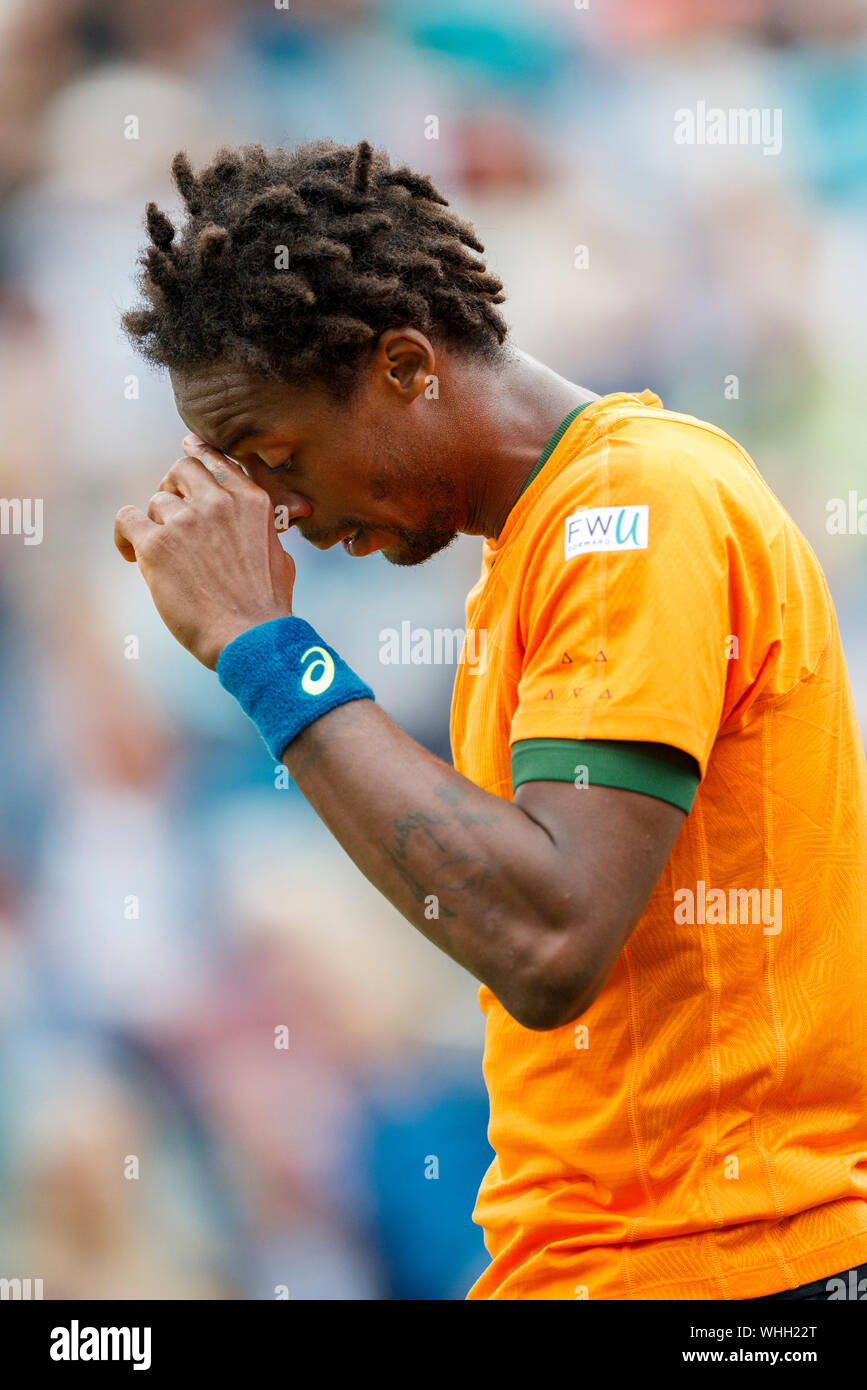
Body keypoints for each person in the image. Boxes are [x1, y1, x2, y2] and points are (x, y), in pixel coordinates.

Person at [115, 138, 867, 1301]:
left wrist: (265, 653)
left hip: (724, 1266)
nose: (287, 519)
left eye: (279, 459)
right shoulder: (545, 543)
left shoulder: (634, 507)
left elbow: (550, 940)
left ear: (407, 363)